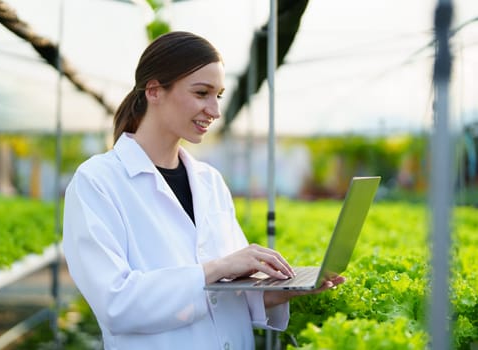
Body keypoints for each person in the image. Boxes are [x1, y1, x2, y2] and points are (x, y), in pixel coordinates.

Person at [62, 31, 345, 350]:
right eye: (201, 93)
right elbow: (116, 304)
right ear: (154, 90)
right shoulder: (97, 182)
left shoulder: (209, 181)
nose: (215, 110)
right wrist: (218, 268)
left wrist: (285, 291)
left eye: (219, 95)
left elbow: (228, 295)